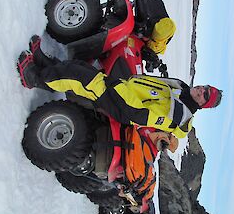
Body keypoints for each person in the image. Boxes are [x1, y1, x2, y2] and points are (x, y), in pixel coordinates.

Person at [17, 35, 223, 139]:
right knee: (81, 67)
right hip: (122, 89)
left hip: (121, 105)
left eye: (205, 95)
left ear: (203, 105)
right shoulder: (181, 88)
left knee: (82, 79)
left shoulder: (180, 115)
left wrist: (117, 88)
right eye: (205, 87)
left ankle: (35, 78)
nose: (201, 90)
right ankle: (45, 64)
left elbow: (140, 114)